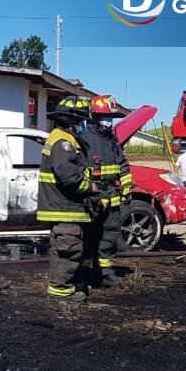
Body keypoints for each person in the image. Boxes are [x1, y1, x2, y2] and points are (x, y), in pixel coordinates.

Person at [38, 96, 97, 302]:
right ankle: (61, 293)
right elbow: (69, 176)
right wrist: (92, 187)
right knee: (68, 249)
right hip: (64, 206)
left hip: (66, 206)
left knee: (67, 248)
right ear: (71, 122)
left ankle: (65, 287)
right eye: (82, 121)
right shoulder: (62, 142)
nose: (84, 126)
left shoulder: (65, 139)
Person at [78, 95, 132, 287]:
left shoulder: (111, 139)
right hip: (92, 197)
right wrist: (89, 193)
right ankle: (84, 274)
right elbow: (79, 169)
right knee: (89, 236)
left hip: (112, 195)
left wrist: (127, 186)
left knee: (110, 235)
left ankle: (106, 273)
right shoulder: (84, 138)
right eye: (104, 117)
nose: (108, 121)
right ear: (94, 117)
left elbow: (122, 164)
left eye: (110, 117)